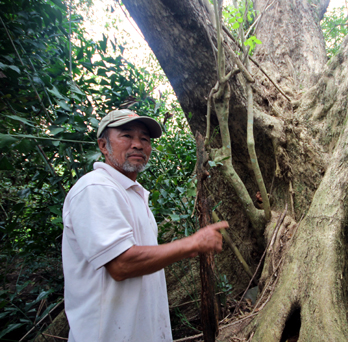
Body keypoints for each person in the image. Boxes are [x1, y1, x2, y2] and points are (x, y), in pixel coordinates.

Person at [62, 109, 227, 342]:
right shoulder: (96, 188)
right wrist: (192, 243)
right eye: (127, 136)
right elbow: (121, 265)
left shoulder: (132, 194)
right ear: (102, 145)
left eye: (145, 139)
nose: (138, 145)